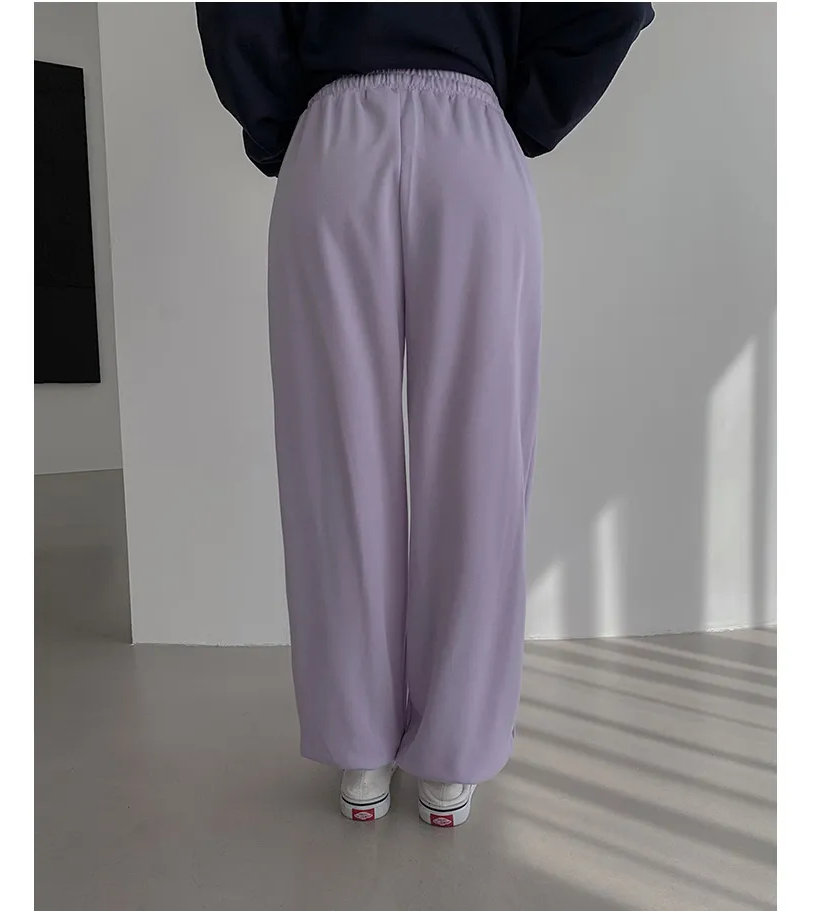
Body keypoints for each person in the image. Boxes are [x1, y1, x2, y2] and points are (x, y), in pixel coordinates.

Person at [196, 2, 654, 827]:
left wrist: (282, 129)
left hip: (332, 139)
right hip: (473, 141)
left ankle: (359, 744)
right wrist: (526, 115)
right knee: (480, 459)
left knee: (334, 456)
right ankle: (454, 751)